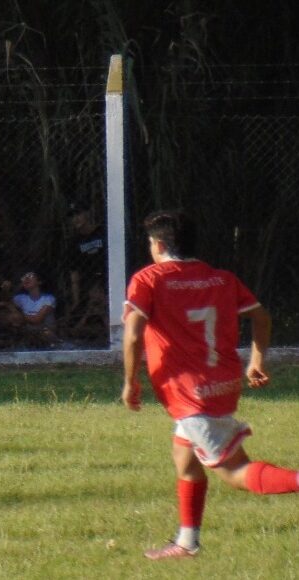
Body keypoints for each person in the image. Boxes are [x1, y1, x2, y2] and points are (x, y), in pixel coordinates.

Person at [122, 209, 299, 560]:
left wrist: (131, 382)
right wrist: (257, 361)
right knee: (184, 459)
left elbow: (132, 334)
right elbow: (261, 318)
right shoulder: (221, 278)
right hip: (222, 383)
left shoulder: (149, 279)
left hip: (190, 394)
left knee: (234, 471)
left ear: (158, 245)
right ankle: (187, 543)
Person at [65, 202, 107, 338]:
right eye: (72, 216)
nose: (75, 219)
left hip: (107, 280)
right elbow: (74, 272)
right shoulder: (74, 242)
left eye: (78, 214)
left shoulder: (103, 233)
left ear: (87, 213)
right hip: (87, 283)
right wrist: (76, 299)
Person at [11, 271, 58, 347]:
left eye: (30, 276)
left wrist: (20, 316)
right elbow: (5, 300)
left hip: (43, 331)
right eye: (24, 277)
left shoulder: (48, 298)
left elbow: (36, 320)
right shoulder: (20, 298)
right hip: (26, 332)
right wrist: (20, 285)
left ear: (39, 281)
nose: (26, 278)